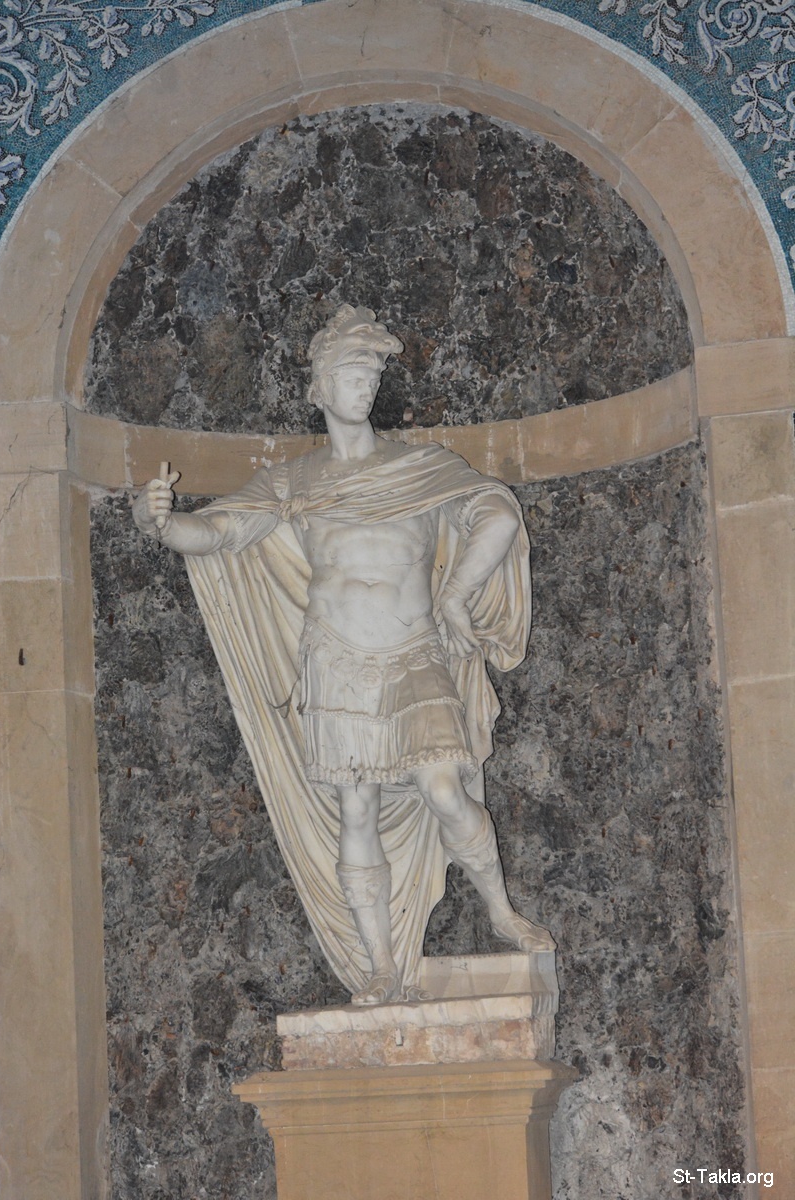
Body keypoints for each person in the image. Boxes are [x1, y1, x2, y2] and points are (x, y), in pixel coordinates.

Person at [133, 305, 554, 1005]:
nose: (364, 387)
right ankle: (380, 967)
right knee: (356, 810)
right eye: (350, 375)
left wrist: (456, 595)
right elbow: (218, 533)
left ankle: (502, 912)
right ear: (319, 388)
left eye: (371, 375)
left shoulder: (421, 467)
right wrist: (160, 521)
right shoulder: (292, 482)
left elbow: (499, 514)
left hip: (414, 651)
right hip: (335, 659)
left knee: (445, 790)